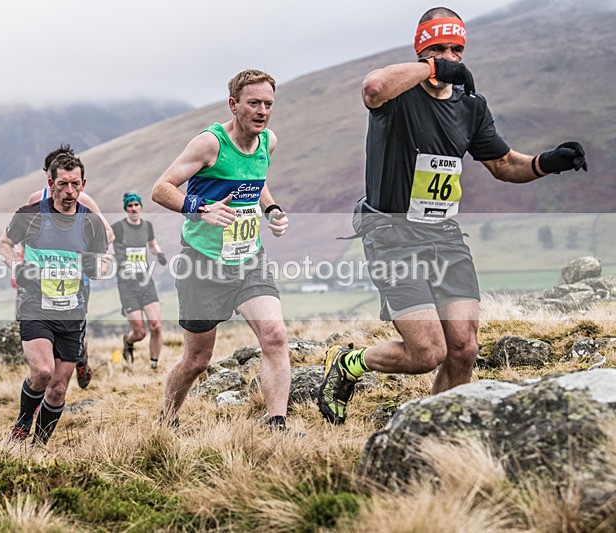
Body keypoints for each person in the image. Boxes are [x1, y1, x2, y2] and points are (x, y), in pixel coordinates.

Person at [316, 6, 588, 425]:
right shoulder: (397, 95)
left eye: (455, 49)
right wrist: (431, 68)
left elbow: (503, 164)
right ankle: (349, 363)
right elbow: (373, 86)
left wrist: (547, 162)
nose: (449, 57)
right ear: (422, 50)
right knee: (427, 352)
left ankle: (432, 431)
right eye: (438, 48)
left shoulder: (470, 107)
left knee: (463, 348)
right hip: (390, 233)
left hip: (442, 234)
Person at [152, 69, 292, 429]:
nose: (262, 111)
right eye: (253, 103)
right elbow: (162, 188)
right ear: (234, 105)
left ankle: (276, 425)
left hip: (249, 259)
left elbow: (255, 182)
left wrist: (271, 209)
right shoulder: (210, 144)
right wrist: (201, 208)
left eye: (268, 104)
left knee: (275, 336)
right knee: (197, 361)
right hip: (203, 263)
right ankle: (167, 417)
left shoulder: (267, 142)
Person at [0, 151, 109, 445]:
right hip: (35, 305)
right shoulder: (30, 214)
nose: (70, 191)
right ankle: (23, 423)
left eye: (75, 184)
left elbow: (104, 262)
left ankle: (39, 446)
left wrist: (96, 267)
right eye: (63, 184)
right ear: (50, 182)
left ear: (83, 183)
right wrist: (16, 266)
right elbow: (5, 243)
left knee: (59, 389)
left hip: (72, 311)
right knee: (43, 371)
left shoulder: (91, 223)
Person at [16, 144, 115, 389]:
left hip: (76, 280)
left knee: (74, 327)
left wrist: (91, 259)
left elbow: (107, 233)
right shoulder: (35, 200)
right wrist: (21, 263)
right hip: (41, 281)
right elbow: (24, 238)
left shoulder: (83, 200)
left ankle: (79, 357)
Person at [111, 191, 167, 369]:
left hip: (145, 282)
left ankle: (153, 366)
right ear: (126, 208)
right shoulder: (118, 228)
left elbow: (152, 244)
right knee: (140, 332)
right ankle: (128, 342)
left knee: (156, 326)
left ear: (140, 207)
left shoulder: (147, 226)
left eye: (136, 205)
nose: (134, 209)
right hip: (127, 285)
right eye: (130, 205)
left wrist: (159, 254)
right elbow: (108, 248)